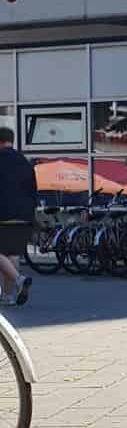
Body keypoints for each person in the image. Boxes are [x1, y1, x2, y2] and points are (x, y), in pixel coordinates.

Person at [0, 124, 35, 306]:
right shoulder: (24, 161)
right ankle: (6, 296)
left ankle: (19, 279)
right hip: (24, 214)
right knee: (12, 253)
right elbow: (33, 189)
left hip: (3, 212)